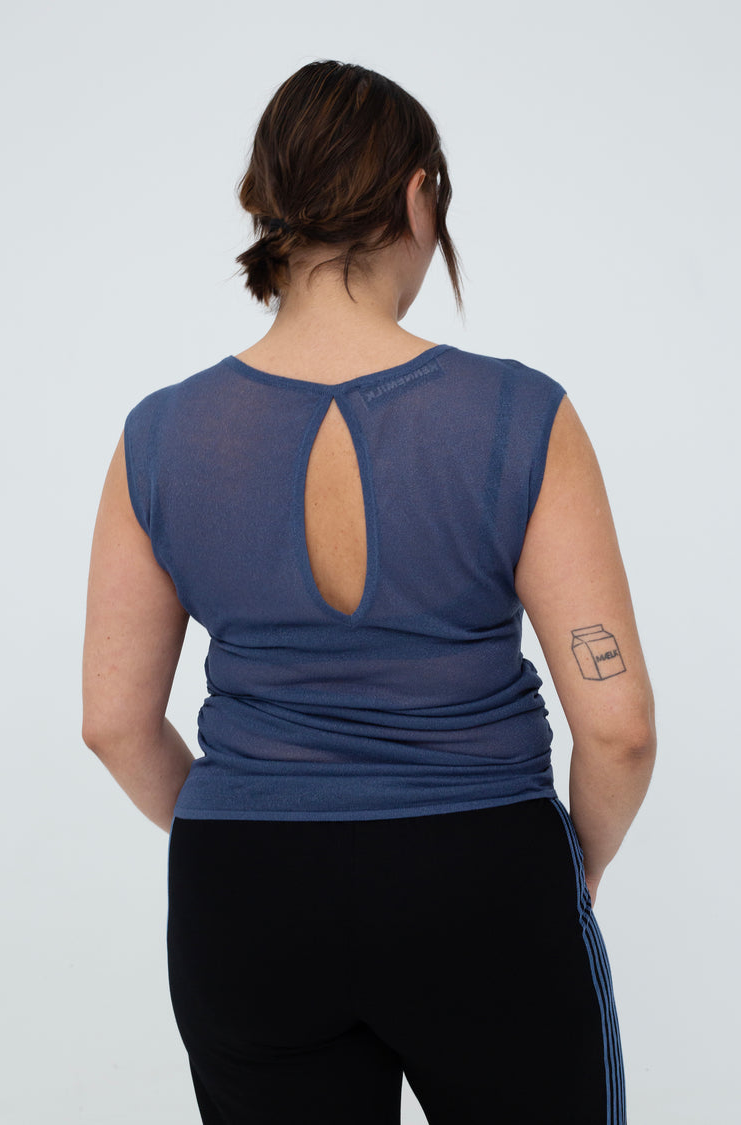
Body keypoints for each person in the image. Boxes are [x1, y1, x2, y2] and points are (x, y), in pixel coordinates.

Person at [82, 59, 656, 1125]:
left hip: (243, 891)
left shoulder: (158, 437)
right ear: (417, 194)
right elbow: (618, 728)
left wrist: (251, 835)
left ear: (269, 204)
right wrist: (567, 870)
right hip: (479, 867)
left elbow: (114, 724)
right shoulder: (519, 414)